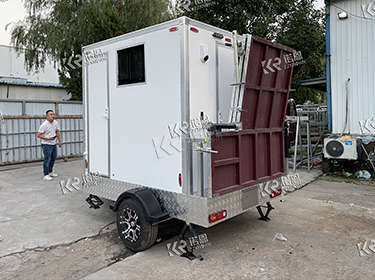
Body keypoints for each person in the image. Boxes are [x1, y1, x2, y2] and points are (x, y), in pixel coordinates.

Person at [37, 110, 62, 180]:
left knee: (53, 158)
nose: (53, 116)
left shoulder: (55, 123)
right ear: (47, 116)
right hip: (46, 144)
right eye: (51, 115)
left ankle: (50, 171)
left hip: (53, 143)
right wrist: (47, 138)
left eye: (53, 114)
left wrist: (59, 141)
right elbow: (38, 135)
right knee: (47, 159)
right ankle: (46, 174)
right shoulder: (44, 125)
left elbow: (57, 131)